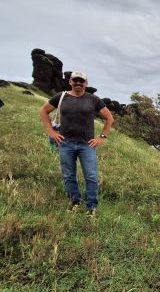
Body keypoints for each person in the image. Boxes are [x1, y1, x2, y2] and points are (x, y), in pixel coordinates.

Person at [39, 71, 114, 217]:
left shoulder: (93, 100)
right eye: (75, 80)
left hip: (87, 145)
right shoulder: (61, 97)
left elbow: (109, 118)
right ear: (70, 82)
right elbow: (43, 111)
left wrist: (102, 136)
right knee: (68, 175)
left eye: (81, 80)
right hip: (65, 144)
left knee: (91, 176)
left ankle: (91, 206)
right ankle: (74, 202)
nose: (78, 83)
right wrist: (51, 132)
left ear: (86, 83)